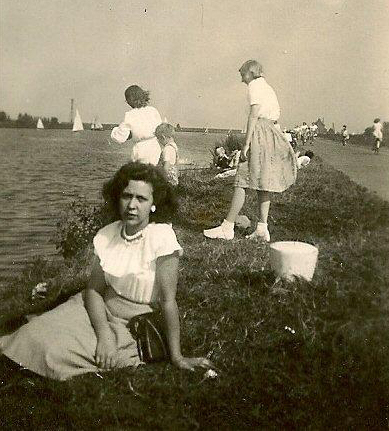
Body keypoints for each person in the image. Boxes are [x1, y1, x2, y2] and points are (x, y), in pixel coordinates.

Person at [0, 162, 213, 380]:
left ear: (154, 204)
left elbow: (169, 301)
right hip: (96, 310)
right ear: (117, 198)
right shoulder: (107, 234)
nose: (132, 205)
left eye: (141, 199)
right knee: (31, 333)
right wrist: (104, 335)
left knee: (53, 349)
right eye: (126, 196)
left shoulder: (162, 238)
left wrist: (177, 357)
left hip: (130, 324)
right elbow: (93, 290)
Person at [203, 60, 297, 242]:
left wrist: (246, 144)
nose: (241, 80)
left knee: (242, 178)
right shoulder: (267, 87)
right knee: (264, 181)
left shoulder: (254, 86)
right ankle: (262, 229)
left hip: (260, 131)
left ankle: (227, 227)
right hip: (272, 131)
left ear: (251, 73)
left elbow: (253, 115)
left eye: (243, 75)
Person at [110, 85, 162, 165]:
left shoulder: (130, 115)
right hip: (155, 147)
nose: (127, 102)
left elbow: (120, 137)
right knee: (153, 173)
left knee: (140, 174)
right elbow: (160, 129)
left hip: (141, 150)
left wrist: (115, 130)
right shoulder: (153, 110)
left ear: (131, 100)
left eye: (127, 100)